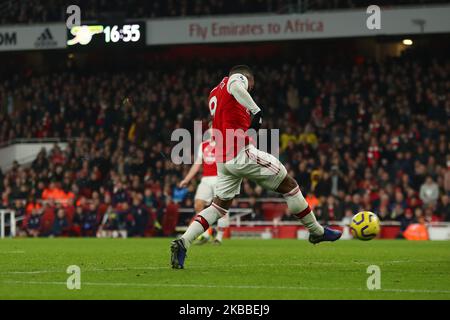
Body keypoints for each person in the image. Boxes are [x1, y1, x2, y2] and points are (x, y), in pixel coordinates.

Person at [171, 65, 341, 269]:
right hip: (241, 153)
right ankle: (317, 232)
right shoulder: (234, 80)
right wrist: (256, 112)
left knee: (218, 206)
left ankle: (183, 242)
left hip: (223, 160)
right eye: (251, 85)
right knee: (290, 185)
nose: (250, 88)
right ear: (248, 78)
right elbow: (236, 84)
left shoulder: (214, 92)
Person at [179, 127, 229, 245]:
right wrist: (187, 179)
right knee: (198, 204)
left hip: (220, 178)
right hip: (206, 179)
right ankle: (206, 234)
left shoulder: (225, 144)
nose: (212, 130)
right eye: (211, 128)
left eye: (214, 127)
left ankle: (219, 237)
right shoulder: (203, 145)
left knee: (221, 207)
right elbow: (197, 164)